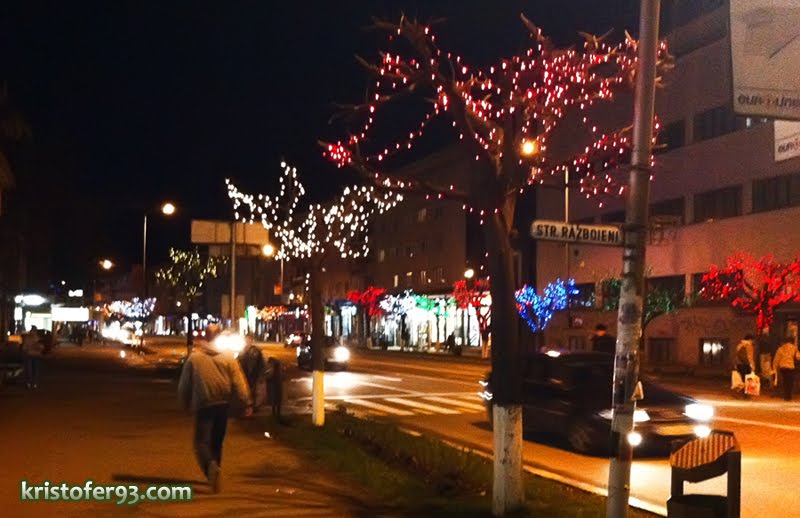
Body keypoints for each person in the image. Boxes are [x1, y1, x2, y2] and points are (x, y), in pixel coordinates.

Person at [177, 326, 252, 493]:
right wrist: (246, 402)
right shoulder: (228, 358)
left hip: (204, 404)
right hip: (223, 404)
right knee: (217, 441)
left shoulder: (194, 358)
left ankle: (210, 467)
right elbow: (239, 381)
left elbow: (184, 384)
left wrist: (183, 403)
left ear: (205, 336)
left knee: (201, 442)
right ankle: (216, 469)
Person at [772, 337, 800, 401]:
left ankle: (785, 396)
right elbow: (798, 357)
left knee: (785, 381)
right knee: (790, 382)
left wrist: (774, 368)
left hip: (783, 367)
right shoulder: (794, 348)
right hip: (791, 367)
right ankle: (789, 396)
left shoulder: (780, 348)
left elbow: (776, 359)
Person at [265, 357, 283, 422]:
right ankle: (277, 414)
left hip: (274, 387)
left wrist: (266, 377)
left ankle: (274, 413)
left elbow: (269, 377)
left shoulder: (274, 371)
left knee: (274, 400)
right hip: (278, 387)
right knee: (278, 401)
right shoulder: (279, 371)